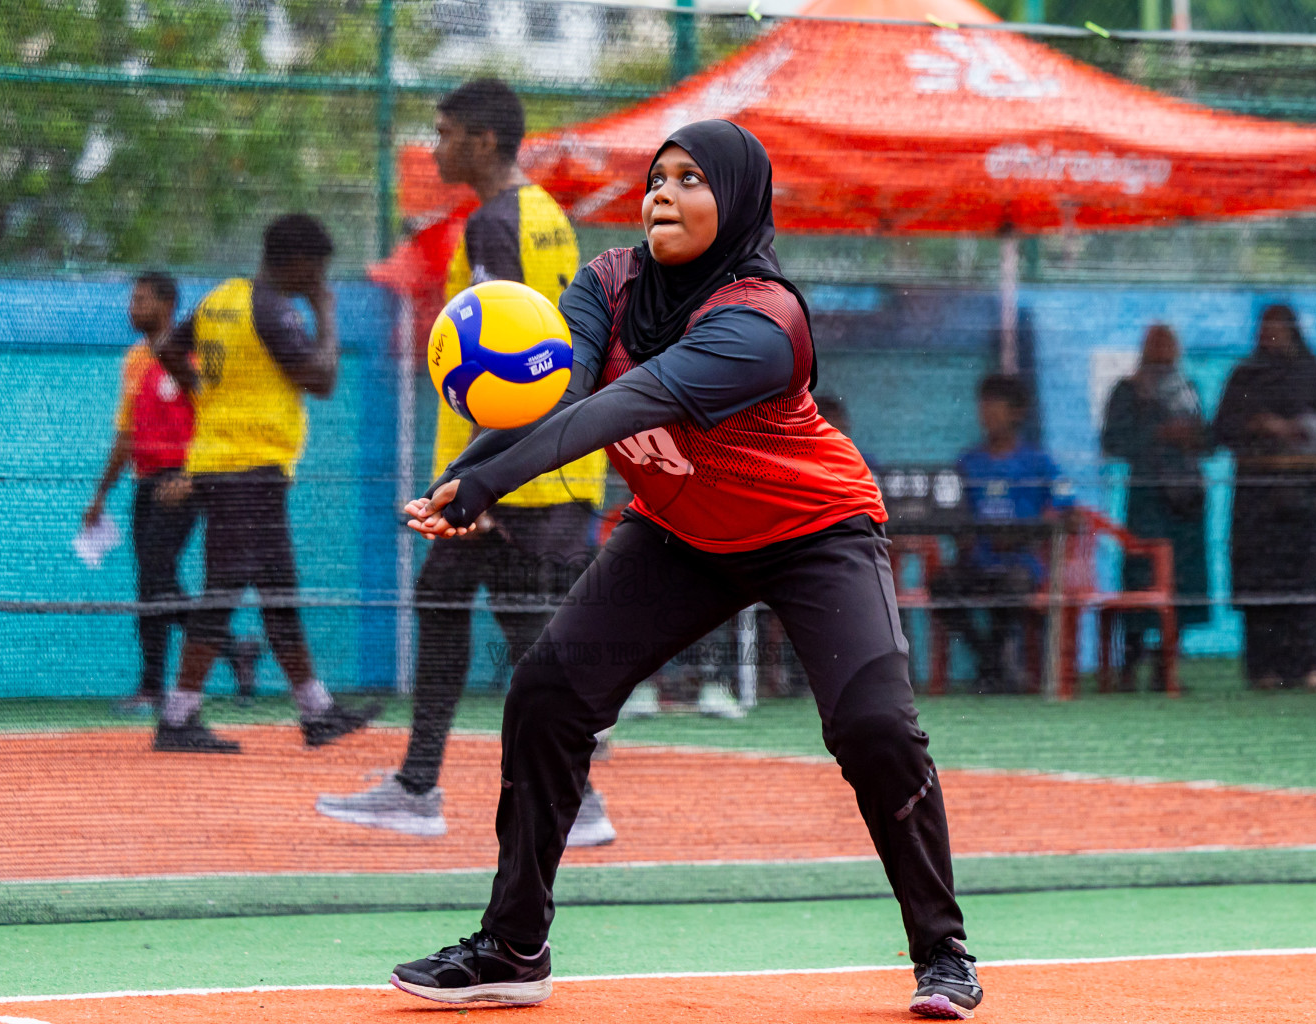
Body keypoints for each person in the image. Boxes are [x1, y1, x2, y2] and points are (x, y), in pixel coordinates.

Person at [385, 120, 981, 1020]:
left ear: (737, 199)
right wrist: (462, 474)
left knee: (874, 730)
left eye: (691, 178)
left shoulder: (763, 319)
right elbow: (562, 388)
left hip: (813, 531)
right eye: (657, 176)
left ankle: (943, 952)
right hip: (682, 531)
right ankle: (514, 946)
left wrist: (487, 483)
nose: (663, 191)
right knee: (547, 694)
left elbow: (629, 402)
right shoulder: (609, 281)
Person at [313, 79, 614, 845]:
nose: (434, 144)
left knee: (498, 625)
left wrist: (479, 480)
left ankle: (553, 793)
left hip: (513, 474)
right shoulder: (548, 216)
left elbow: (511, 369)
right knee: (476, 615)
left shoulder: (493, 226)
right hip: (552, 465)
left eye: (444, 132)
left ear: (483, 141)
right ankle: (432, 786)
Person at [151, 214, 376, 753]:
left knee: (277, 588)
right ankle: (179, 717)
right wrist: (325, 314)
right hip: (247, 469)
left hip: (235, 465)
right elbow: (321, 379)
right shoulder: (273, 310)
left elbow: (166, 350)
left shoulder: (218, 299)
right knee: (225, 588)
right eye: (317, 267)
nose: (321, 276)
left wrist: (204, 394)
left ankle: (316, 710)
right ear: (295, 261)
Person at [85, 272, 260, 716]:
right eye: (132, 299)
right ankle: (162, 681)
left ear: (167, 305)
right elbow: (125, 432)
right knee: (149, 585)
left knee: (159, 576)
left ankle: (219, 653)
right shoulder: (134, 360)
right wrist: (101, 495)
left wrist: (194, 477)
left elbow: (213, 419)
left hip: (182, 481)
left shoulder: (192, 356)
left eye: (141, 300)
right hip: (146, 482)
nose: (131, 308)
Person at [1213, 304, 1316, 692]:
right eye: (1265, 328)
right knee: (1260, 584)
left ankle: (1311, 665)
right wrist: (1257, 426)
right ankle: (1263, 668)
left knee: (1305, 580)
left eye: (1278, 328)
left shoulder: (1313, 373)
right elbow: (1221, 430)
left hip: (1303, 496)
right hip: (1257, 502)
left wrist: (1297, 431)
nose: (1271, 335)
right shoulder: (1244, 375)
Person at [929, 374, 1073, 694]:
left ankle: (993, 667)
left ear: (1017, 412)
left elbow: (1068, 509)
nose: (987, 414)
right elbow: (951, 513)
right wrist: (961, 535)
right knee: (941, 584)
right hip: (978, 562)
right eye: (983, 406)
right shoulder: (968, 463)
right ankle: (992, 660)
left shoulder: (1038, 462)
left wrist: (1029, 534)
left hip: (1019, 564)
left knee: (1014, 585)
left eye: (996, 407)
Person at [1100, 324, 1211, 692]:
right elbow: (1113, 441)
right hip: (1148, 501)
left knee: (1181, 580)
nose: (1164, 350)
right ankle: (1129, 666)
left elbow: (1208, 439)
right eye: (1157, 343)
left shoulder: (1188, 390)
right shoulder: (1129, 390)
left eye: (1170, 343)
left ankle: (1168, 669)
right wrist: (1158, 435)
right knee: (1140, 578)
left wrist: (1190, 438)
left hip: (1185, 503)